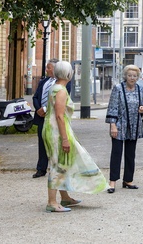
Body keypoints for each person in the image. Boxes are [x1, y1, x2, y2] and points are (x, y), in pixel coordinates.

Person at [43, 61, 107, 212]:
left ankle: (64, 198)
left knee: (62, 162)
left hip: (52, 129)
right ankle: (52, 202)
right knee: (58, 164)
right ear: (68, 74)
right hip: (57, 131)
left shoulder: (54, 88)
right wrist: (65, 139)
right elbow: (59, 116)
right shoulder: (61, 91)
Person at [105, 64, 143, 193]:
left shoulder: (141, 89)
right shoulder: (118, 88)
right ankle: (112, 182)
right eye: (130, 75)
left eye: (134, 76)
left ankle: (128, 180)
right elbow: (112, 107)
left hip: (134, 125)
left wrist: (142, 109)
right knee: (116, 153)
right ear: (125, 76)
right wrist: (112, 125)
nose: (132, 78)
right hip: (119, 125)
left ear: (137, 77)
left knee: (130, 154)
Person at [32, 58, 58, 178]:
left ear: (55, 69)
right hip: (41, 116)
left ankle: (55, 168)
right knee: (42, 143)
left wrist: (46, 109)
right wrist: (39, 109)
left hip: (53, 117)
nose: (46, 70)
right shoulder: (44, 81)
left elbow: (60, 99)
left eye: (48, 68)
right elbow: (35, 97)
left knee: (54, 143)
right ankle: (41, 169)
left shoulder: (62, 83)